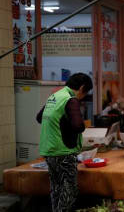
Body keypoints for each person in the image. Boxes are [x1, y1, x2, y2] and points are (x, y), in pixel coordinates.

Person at [36, 73, 93, 212]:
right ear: (82, 87)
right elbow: (78, 126)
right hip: (63, 152)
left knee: (56, 190)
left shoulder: (55, 96)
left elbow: (39, 118)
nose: (83, 97)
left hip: (49, 151)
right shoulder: (70, 99)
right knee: (69, 192)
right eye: (85, 93)